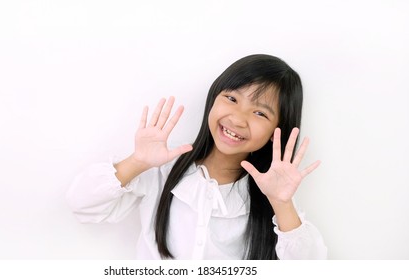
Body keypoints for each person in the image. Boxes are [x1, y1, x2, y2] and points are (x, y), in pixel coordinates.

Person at [66, 54, 327, 260]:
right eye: (232, 98)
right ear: (213, 99)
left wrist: (282, 203)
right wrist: (138, 162)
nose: (237, 119)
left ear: (275, 131)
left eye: (260, 113)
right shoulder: (164, 168)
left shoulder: (269, 193)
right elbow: (81, 204)